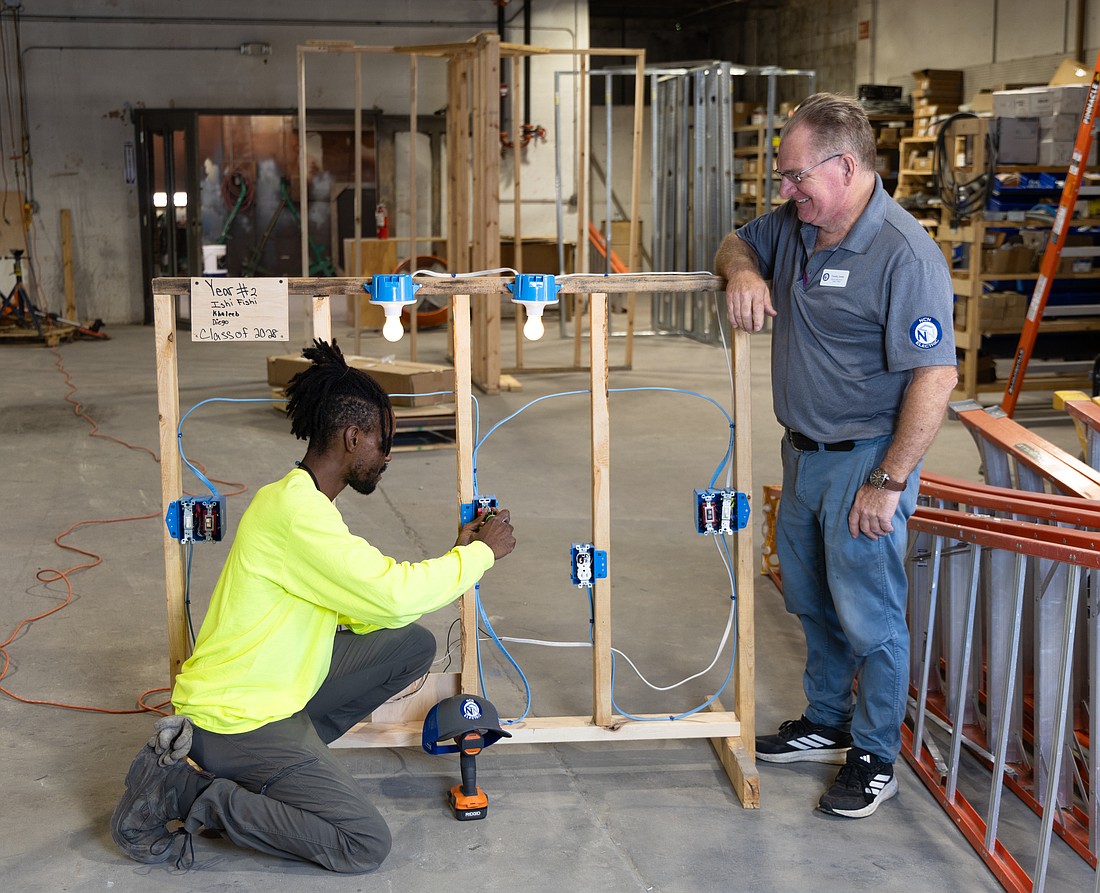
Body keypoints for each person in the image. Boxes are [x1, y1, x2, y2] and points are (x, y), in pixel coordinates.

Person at [110, 338, 516, 871]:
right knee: (363, 844)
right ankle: (188, 792)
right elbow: (392, 595)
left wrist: (458, 554)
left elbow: (369, 606)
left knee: (409, 646)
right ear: (353, 438)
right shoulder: (298, 516)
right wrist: (480, 555)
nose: (386, 455)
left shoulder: (296, 500)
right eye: (382, 441)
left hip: (270, 691)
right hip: (237, 718)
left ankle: (282, 767)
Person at [714, 93, 957, 818]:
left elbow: (934, 376)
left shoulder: (905, 254)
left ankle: (876, 752)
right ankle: (828, 717)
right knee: (809, 595)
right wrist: (743, 272)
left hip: (866, 461)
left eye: (795, 177)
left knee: (870, 614)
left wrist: (888, 482)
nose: (785, 192)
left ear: (845, 166)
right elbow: (736, 240)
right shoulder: (795, 227)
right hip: (803, 455)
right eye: (784, 180)